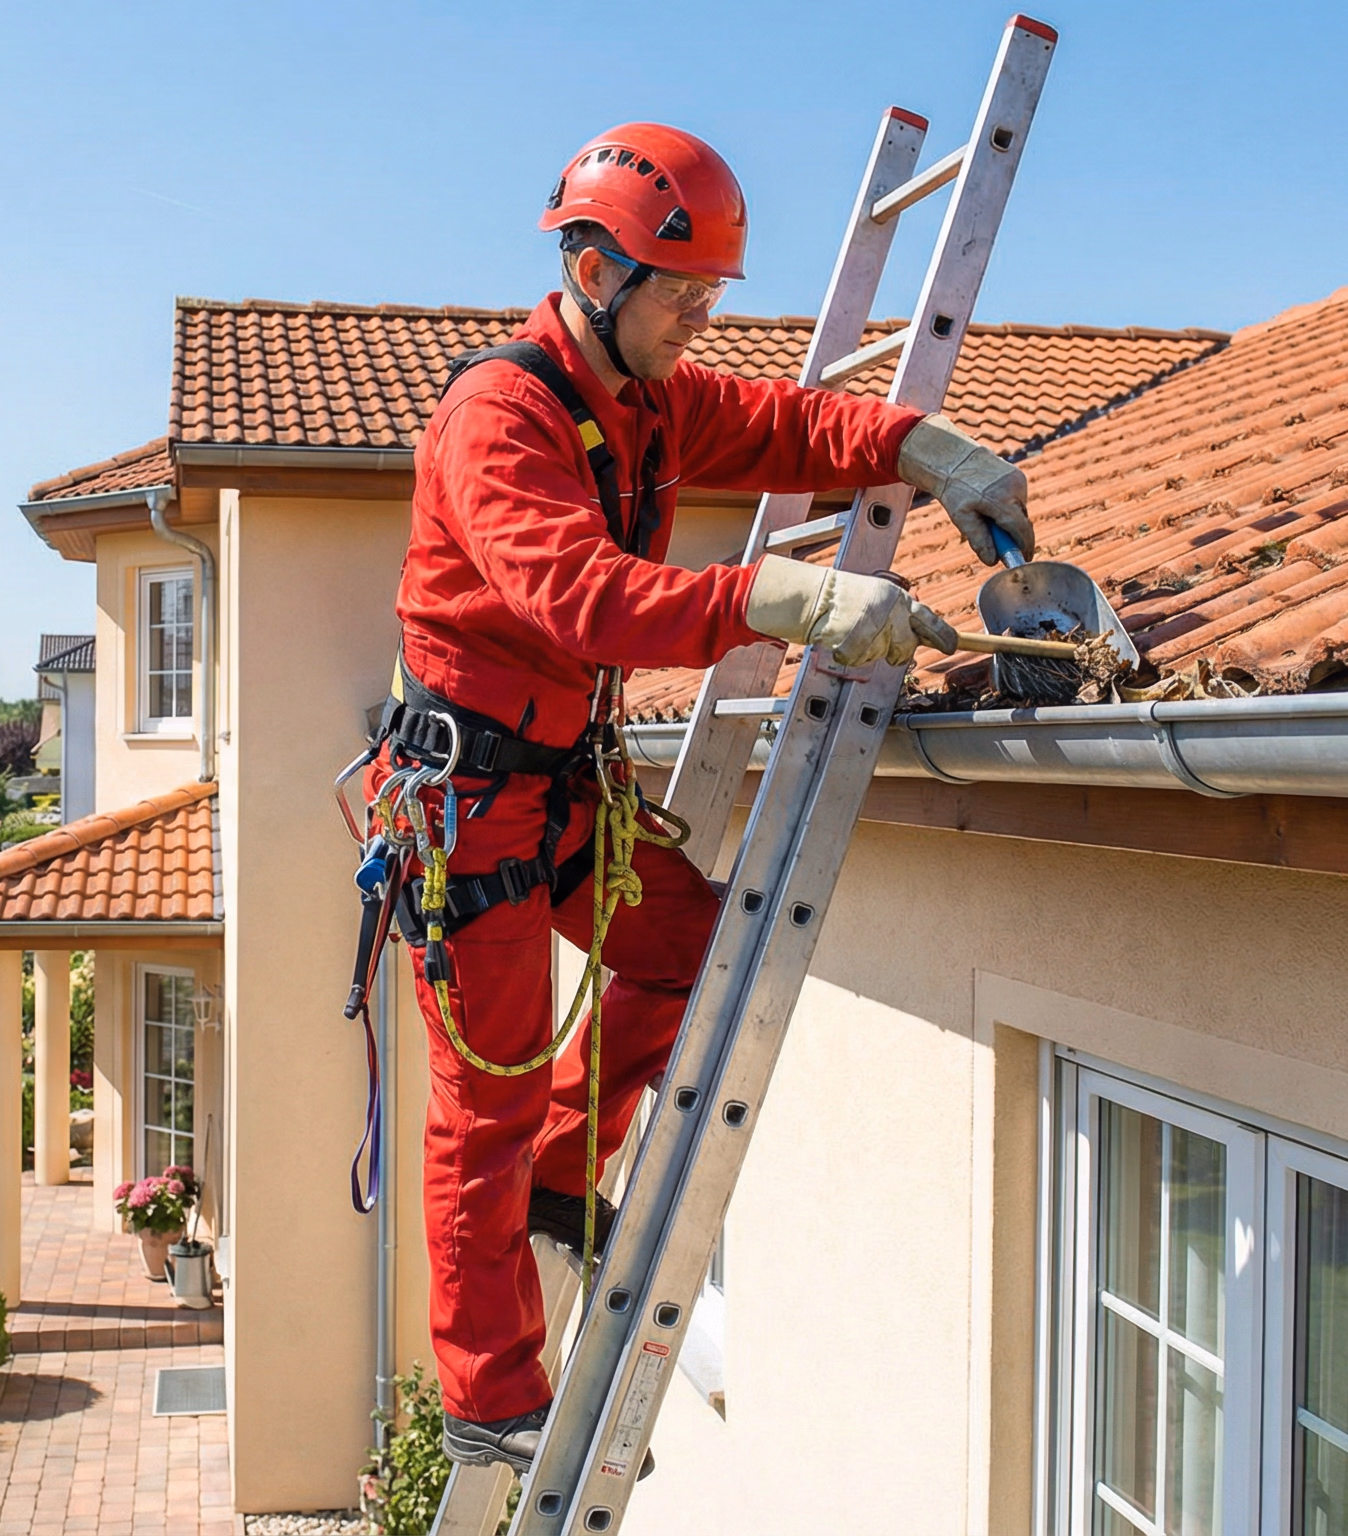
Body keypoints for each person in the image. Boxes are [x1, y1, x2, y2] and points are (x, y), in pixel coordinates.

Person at [372, 122, 1035, 1472]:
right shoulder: (495, 417)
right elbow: (584, 596)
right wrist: (791, 599)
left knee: (698, 955)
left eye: (708, 295)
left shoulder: (648, 399)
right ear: (591, 265)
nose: (700, 317)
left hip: (566, 786)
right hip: (473, 812)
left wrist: (929, 450)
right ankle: (488, 1390)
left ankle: (570, 1172)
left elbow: (792, 420)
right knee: (478, 1106)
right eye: (683, 293)